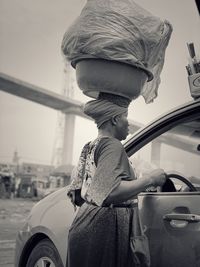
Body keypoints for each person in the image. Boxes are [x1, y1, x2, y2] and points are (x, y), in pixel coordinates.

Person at [66, 93, 167, 267]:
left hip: (84, 225)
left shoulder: (91, 145)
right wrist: (151, 179)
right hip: (104, 231)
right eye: (125, 116)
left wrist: (136, 186)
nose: (129, 122)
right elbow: (110, 192)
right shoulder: (112, 145)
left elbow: (77, 194)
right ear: (114, 119)